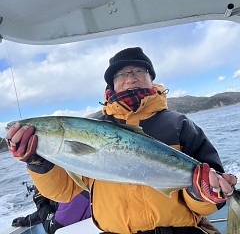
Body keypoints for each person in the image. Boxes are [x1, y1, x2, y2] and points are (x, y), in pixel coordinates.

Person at [6, 47, 237, 234]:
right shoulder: (94, 128)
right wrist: (38, 162)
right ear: (112, 85)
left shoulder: (179, 124)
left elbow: (209, 200)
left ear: (151, 78)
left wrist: (204, 193)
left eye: (138, 71)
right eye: (122, 74)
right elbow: (64, 193)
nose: (131, 78)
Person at [12, 185, 91, 234]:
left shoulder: (77, 194)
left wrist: (40, 201)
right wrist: (26, 220)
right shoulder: (75, 187)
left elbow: (53, 228)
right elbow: (56, 211)